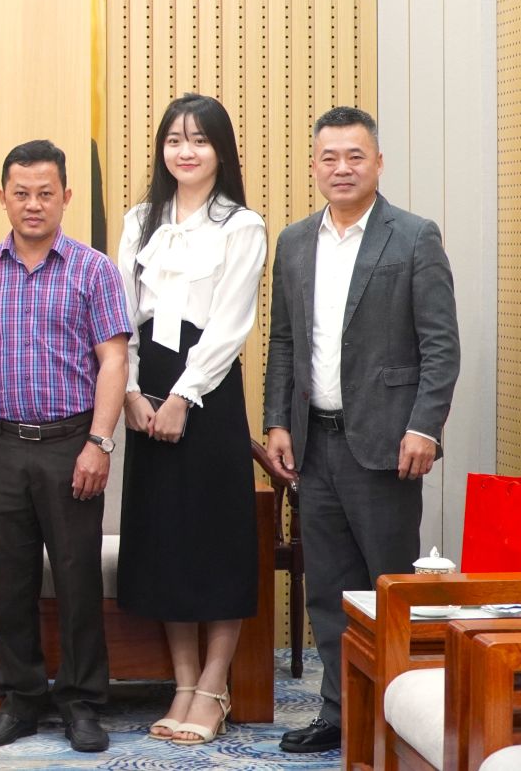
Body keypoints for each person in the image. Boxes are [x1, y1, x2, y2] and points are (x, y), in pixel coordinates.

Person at [264, 106, 459, 755]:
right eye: (330, 157)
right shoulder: (295, 241)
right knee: (329, 589)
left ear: (378, 162)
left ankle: (402, 715)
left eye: (355, 155)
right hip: (314, 441)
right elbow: (284, 341)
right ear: (314, 166)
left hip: (386, 444)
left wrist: (424, 426)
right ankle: (340, 710)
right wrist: (277, 421)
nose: (342, 167)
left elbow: (441, 345)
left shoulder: (414, 237)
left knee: (389, 586)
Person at [0, 139, 131, 754]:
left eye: (45, 193)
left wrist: (99, 443)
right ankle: (21, 698)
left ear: (66, 196)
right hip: (1, 442)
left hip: (71, 443)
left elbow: (114, 361)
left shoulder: (93, 269)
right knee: (9, 579)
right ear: (2, 198)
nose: (33, 204)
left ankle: (82, 701)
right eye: (21, 193)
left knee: (77, 577)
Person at [113, 94, 267, 745]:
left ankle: (213, 684)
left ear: (221, 151)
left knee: (215, 535)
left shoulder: (242, 225)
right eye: (175, 139)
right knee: (164, 539)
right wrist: (130, 393)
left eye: (199, 140)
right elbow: (120, 314)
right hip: (145, 384)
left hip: (208, 391)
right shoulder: (140, 220)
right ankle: (182, 682)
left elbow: (230, 324)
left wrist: (182, 396)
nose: (186, 151)